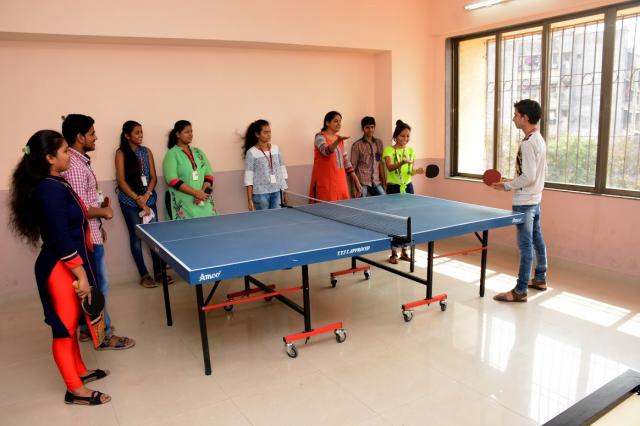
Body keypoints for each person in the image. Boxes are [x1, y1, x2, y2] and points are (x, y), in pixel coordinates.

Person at [9, 130, 111, 405]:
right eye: (65, 151)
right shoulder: (49, 190)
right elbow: (60, 237)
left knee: (71, 323)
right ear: (49, 158)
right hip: (59, 269)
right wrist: (81, 274)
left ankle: (80, 371)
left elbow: (74, 223)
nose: (69, 155)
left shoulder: (57, 182)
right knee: (63, 330)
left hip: (69, 265)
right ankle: (74, 390)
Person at [61, 114, 135, 350]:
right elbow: (79, 208)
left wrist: (98, 224)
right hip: (85, 239)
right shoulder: (74, 166)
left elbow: (84, 200)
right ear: (80, 137)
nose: (96, 137)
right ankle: (103, 336)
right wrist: (104, 213)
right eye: (92, 133)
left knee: (92, 285)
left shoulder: (80, 162)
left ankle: (86, 329)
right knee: (97, 286)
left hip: (91, 232)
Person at [492, 99, 548, 303]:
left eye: (516, 115)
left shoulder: (528, 143)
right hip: (535, 199)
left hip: (525, 202)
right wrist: (511, 180)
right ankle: (540, 278)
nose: (513, 118)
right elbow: (532, 174)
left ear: (525, 118)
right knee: (537, 240)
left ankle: (520, 290)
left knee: (525, 246)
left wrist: (507, 186)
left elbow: (529, 176)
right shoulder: (538, 138)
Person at [115, 120, 164, 288]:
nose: (141, 135)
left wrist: (147, 195)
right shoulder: (121, 153)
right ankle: (144, 275)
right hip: (129, 202)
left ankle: (159, 272)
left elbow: (153, 178)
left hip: (149, 199)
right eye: (137, 132)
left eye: (141, 132)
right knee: (136, 238)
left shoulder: (146, 151)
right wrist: (138, 199)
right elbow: (121, 181)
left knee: (154, 236)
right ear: (127, 135)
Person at [383, 119, 424, 264]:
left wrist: (416, 171)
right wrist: (402, 162)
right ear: (396, 136)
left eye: (407, 136)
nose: (405, 139)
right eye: (402, 136)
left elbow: (409, 172)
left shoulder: (411, 151)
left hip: (408, 187)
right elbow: (390, 167)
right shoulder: (388, 150)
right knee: (394, 220)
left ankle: (405, 252)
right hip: (394, 188)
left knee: (408, 221)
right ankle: (393, 253)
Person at [163, 120, 216, 219]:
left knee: (208, 226)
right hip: (182, 204)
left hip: (202, 201)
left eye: (191, 131)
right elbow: (172, 180)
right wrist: (196, 193)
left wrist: (202, 194)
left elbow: (209, 176)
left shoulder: (199, 152)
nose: (191, 134)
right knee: (184, 228)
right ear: (178, 134)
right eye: (187, 132)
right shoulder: (172, 154)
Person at [309, 111, 362, 201]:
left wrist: (356, 181)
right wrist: (338, 141)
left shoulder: (339, 139)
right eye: (336, 121)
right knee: (326, 207)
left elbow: (346, 162)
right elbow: (325, 151)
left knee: (342, 208)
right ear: (327, 123)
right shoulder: (320, 136)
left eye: (340, 121)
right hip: (325, 182)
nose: (339, 124)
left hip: (340, 182)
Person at [243, 119, 288, 210]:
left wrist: (285, 191)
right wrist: (249, 200)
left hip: (277, 191)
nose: (269, 135)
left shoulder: (276, 149)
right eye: (265, 132)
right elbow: (248, 177)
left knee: (277, 217)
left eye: (269, 132)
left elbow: (282, 170)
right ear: (257, 134)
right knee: (263, 218)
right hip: (260, 194)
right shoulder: (251, 152)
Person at [351, 116, 386, 197]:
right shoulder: (357, 145)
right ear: (362, 129)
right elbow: (352, 167)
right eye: (367, 127)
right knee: (363, 204)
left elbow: (380, 164)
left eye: (372, 127)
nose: (370, 130)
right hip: (362, 183)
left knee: (384, 201)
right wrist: (353, 187)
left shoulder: (379, 143)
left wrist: (384, 183)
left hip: (376, 182)